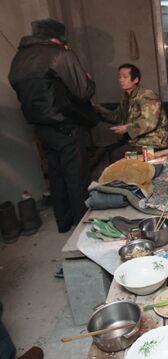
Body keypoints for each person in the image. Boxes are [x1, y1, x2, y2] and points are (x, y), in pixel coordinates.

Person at [9, 18, 96, 233]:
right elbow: (83, 91)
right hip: (65, 125)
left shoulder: (20, 58)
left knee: (56, 176)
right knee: (76, 176)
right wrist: (88, 79)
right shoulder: (59, 54)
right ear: (58, 37)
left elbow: (18, 85)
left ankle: (63, 222)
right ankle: (81, 227)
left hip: (40, 128)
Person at [95, 64, 168, 155]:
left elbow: (150, 122)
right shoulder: (126, 97)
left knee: (117, 155)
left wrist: (127, 128)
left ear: (135, 80)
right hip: (136, 139)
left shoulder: (147, 96)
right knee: (109, 151)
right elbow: (118, 116)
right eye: (120, 77)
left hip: (154, 141)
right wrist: (100, 110)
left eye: (125, 77)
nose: (121, 80)